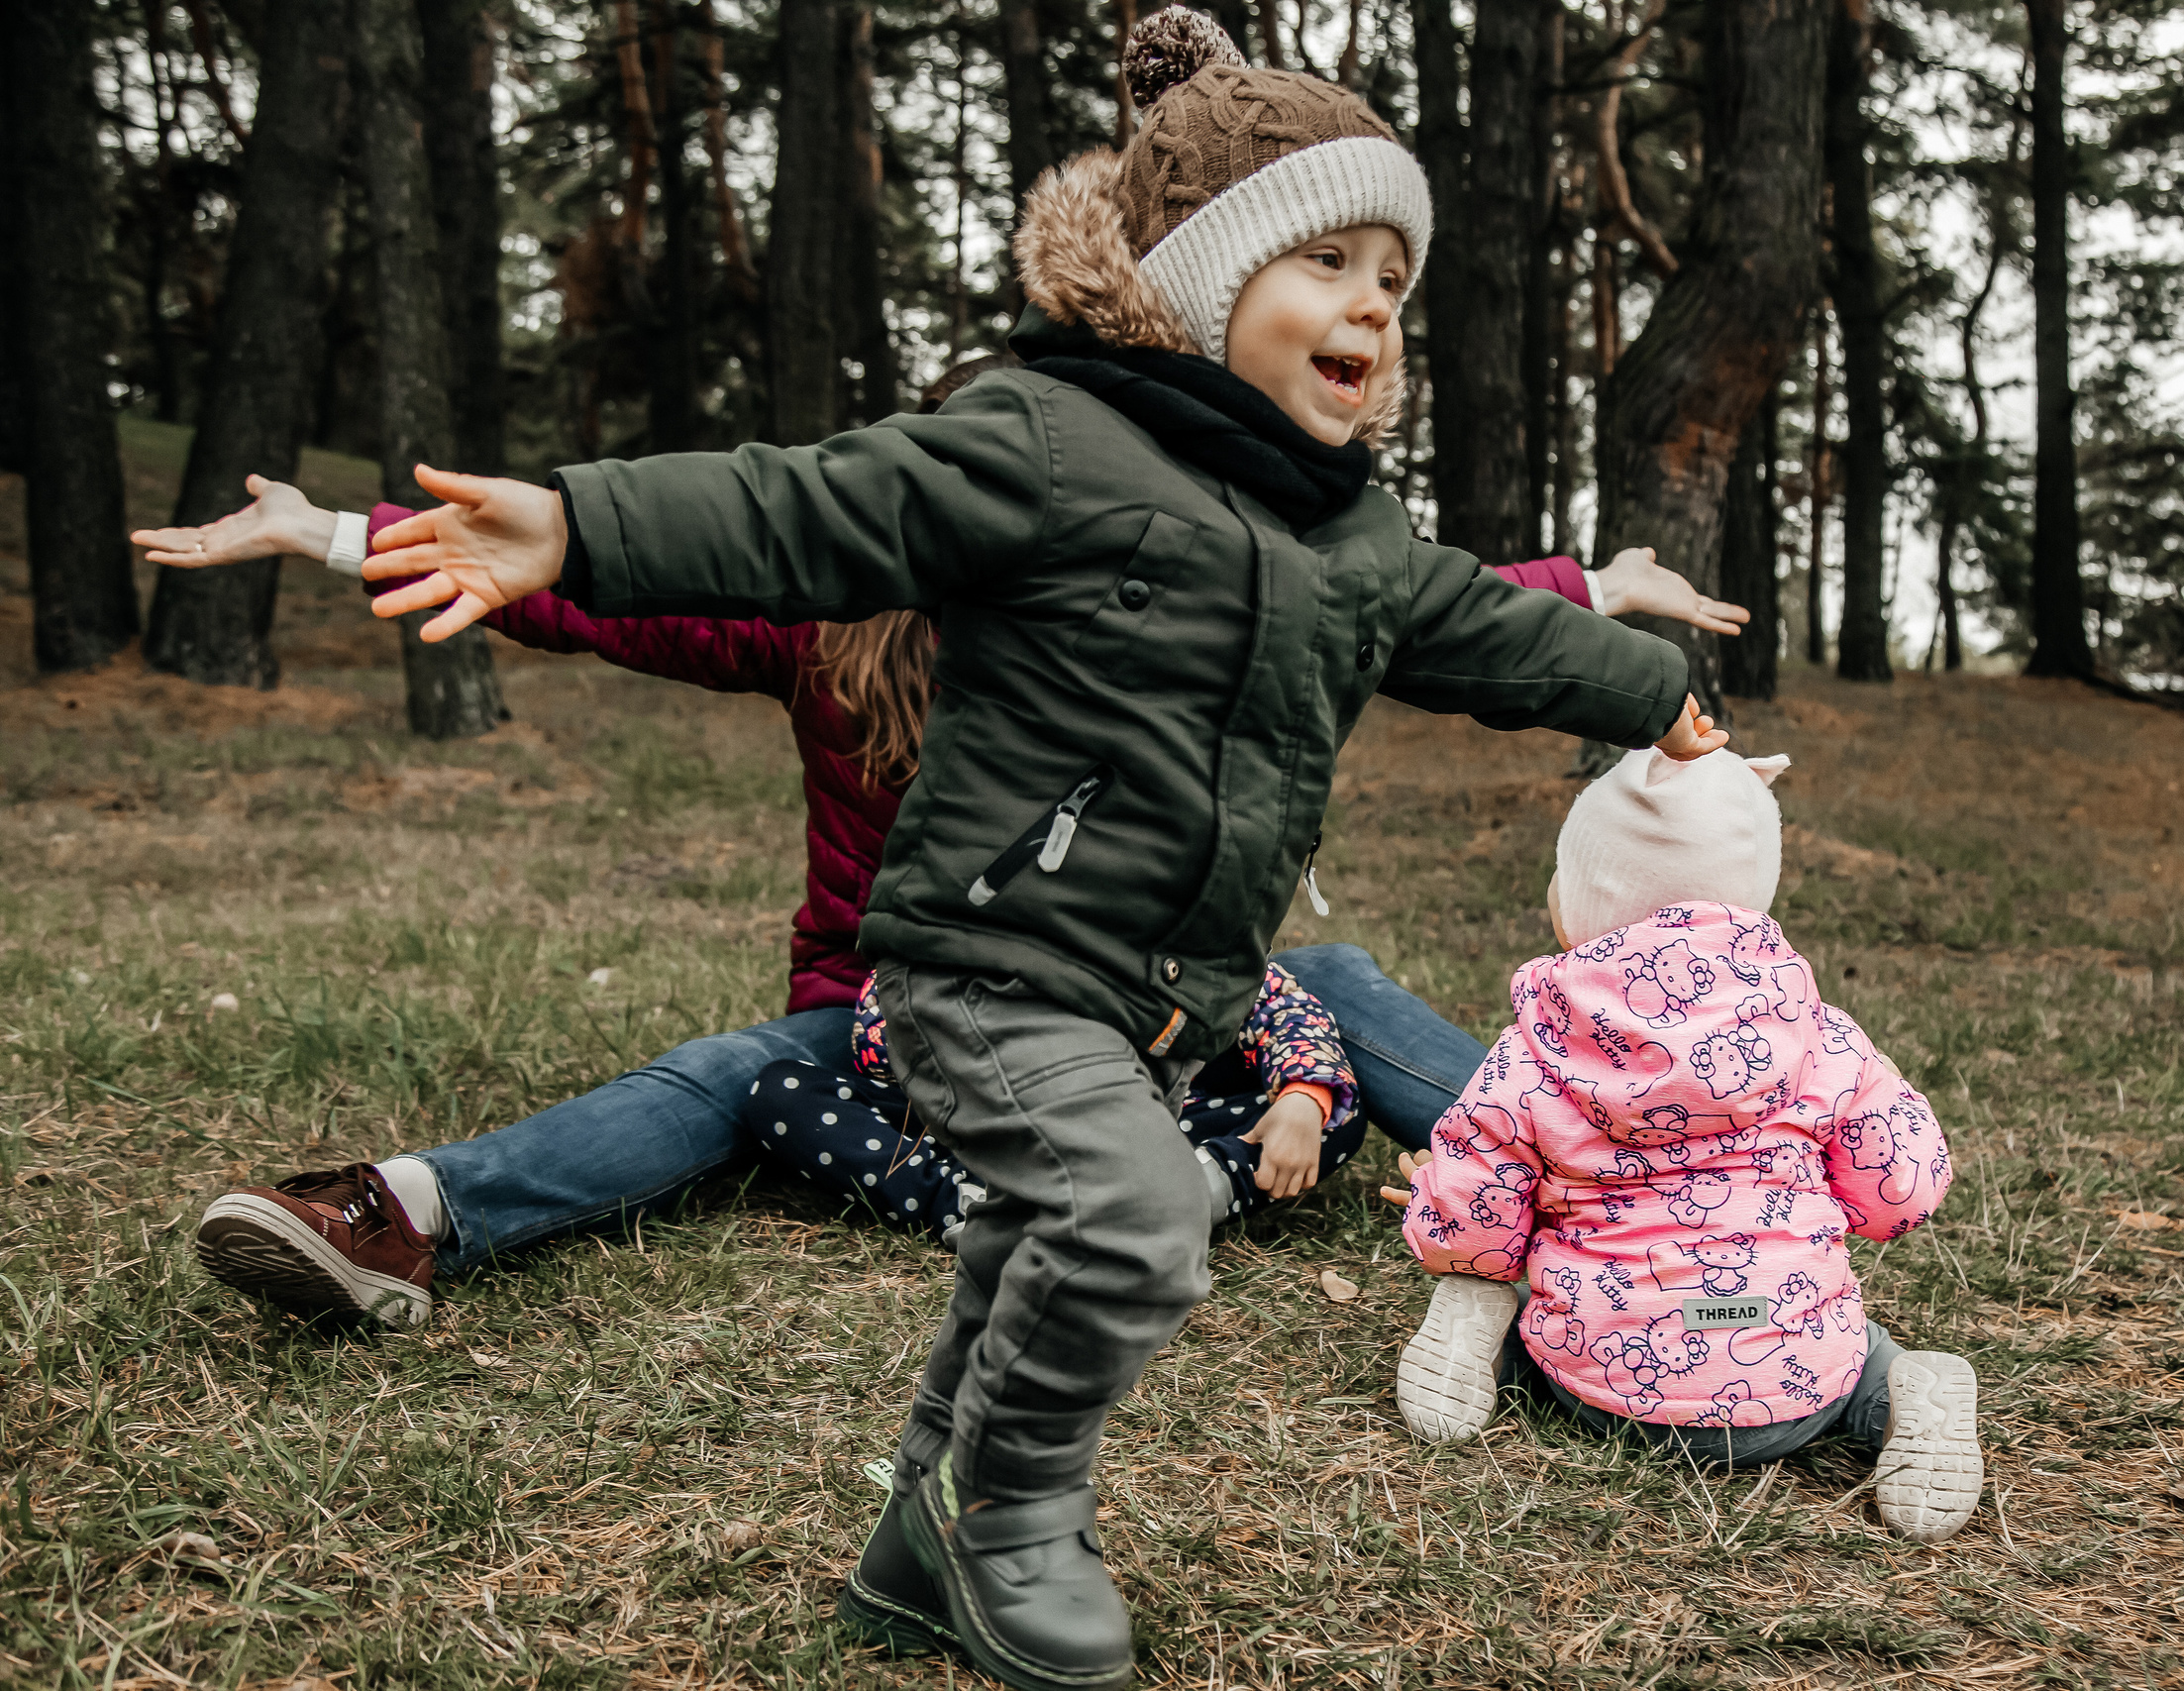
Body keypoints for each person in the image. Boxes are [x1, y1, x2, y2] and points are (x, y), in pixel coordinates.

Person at [339, 8, 1732, 1685]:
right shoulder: (1051, 439)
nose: (1374, 302)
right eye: (1329, 262)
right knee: (1140, 1216)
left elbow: (1494, 634)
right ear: (1206, 283)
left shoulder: (1351, 540)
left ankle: (914, 1541)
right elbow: (809, 506)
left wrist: (1653, 690)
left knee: (1024, 1251)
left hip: (1160, 998)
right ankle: (1002, 1514)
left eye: (1394, 278)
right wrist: (579, 521)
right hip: (984, 963)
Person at [131, 394, 1736, 1332]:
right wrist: (329, 535)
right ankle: (405, 1215)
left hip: (1125, 1015)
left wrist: (1582, 588)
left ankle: (1640, 1194)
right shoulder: (820, 631)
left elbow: (1353, 604)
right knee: (734, 1070)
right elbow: (581, 584)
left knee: (1333, 984)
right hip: (897, 1027)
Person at [1385, 747, 1983, 1545]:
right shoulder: (1821, 1037)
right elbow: (1901, 1192)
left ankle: (1484, 1335)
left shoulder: (1535, 1048)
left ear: (1573, 913)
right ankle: (1906, 1391)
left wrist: (1442, 1220)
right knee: (1862, 1364)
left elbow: (1474, 1219)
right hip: (1795, 1386)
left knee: (1534, 1313)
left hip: (1598, 1384)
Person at [743, 961, 1361, 1241]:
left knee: (1329, 1115)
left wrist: (1303, 1099)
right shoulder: (962, 929)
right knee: (784, 1091)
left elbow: (1279, 1005)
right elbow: (882, 1026)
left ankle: (1186, 1198)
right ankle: (965, 1208)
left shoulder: (1180, 945)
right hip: (977, 1137)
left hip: (1148, 1135)